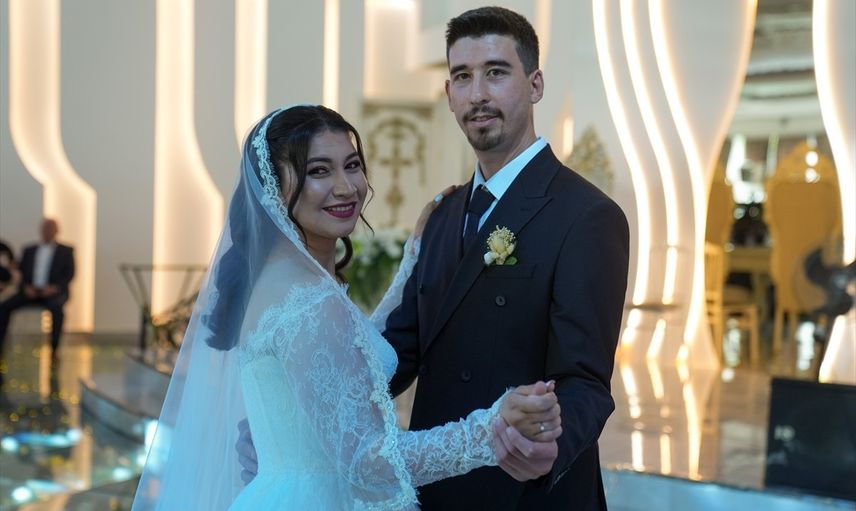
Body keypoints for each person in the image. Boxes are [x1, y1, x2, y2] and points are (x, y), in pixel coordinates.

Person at [132, 105, 562, 510]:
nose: (346, 187)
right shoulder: (308, 300)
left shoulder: (285, 280)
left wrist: (412, 261)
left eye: (352, 165)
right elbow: (369, 462)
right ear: (273, 187)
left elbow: (351, 353)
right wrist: (490, 429)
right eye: (318, 171)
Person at [384, 7, 629, 509]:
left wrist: (547, 447)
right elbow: (400, 349)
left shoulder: (587, 216)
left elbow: (584, 380)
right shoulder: (443, 214)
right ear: (448, 94)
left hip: (524, 488)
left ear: (535, 85)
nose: (477, 94)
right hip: (439, 484)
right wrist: (306, 406)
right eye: (462, 77)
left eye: (495, 72)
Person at [0, 219, 75, 359]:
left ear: (57, 231)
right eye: (45, 228)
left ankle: (54, 349)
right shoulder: (29, 250)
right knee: (3, 307)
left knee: (57, 310)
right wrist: (25, 287)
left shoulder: (66, 251)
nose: (47, 232)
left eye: (50, 228)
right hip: (29, 291)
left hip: (52, 293)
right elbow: (20, 273)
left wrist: (54, 288)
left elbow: (69, 274)